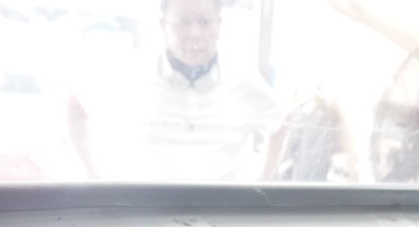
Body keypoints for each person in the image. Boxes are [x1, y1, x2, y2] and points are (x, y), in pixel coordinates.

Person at [67, 0, 284, 182]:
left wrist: (264, 182)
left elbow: (282, 121)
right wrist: (93, 176)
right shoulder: (133, 71)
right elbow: (77, 104)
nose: (195, 34)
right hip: (145, 210)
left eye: (204, 22)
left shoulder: (243, 80)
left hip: (219, 211)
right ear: (164, 25)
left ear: (219, 24)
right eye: (183, 22)